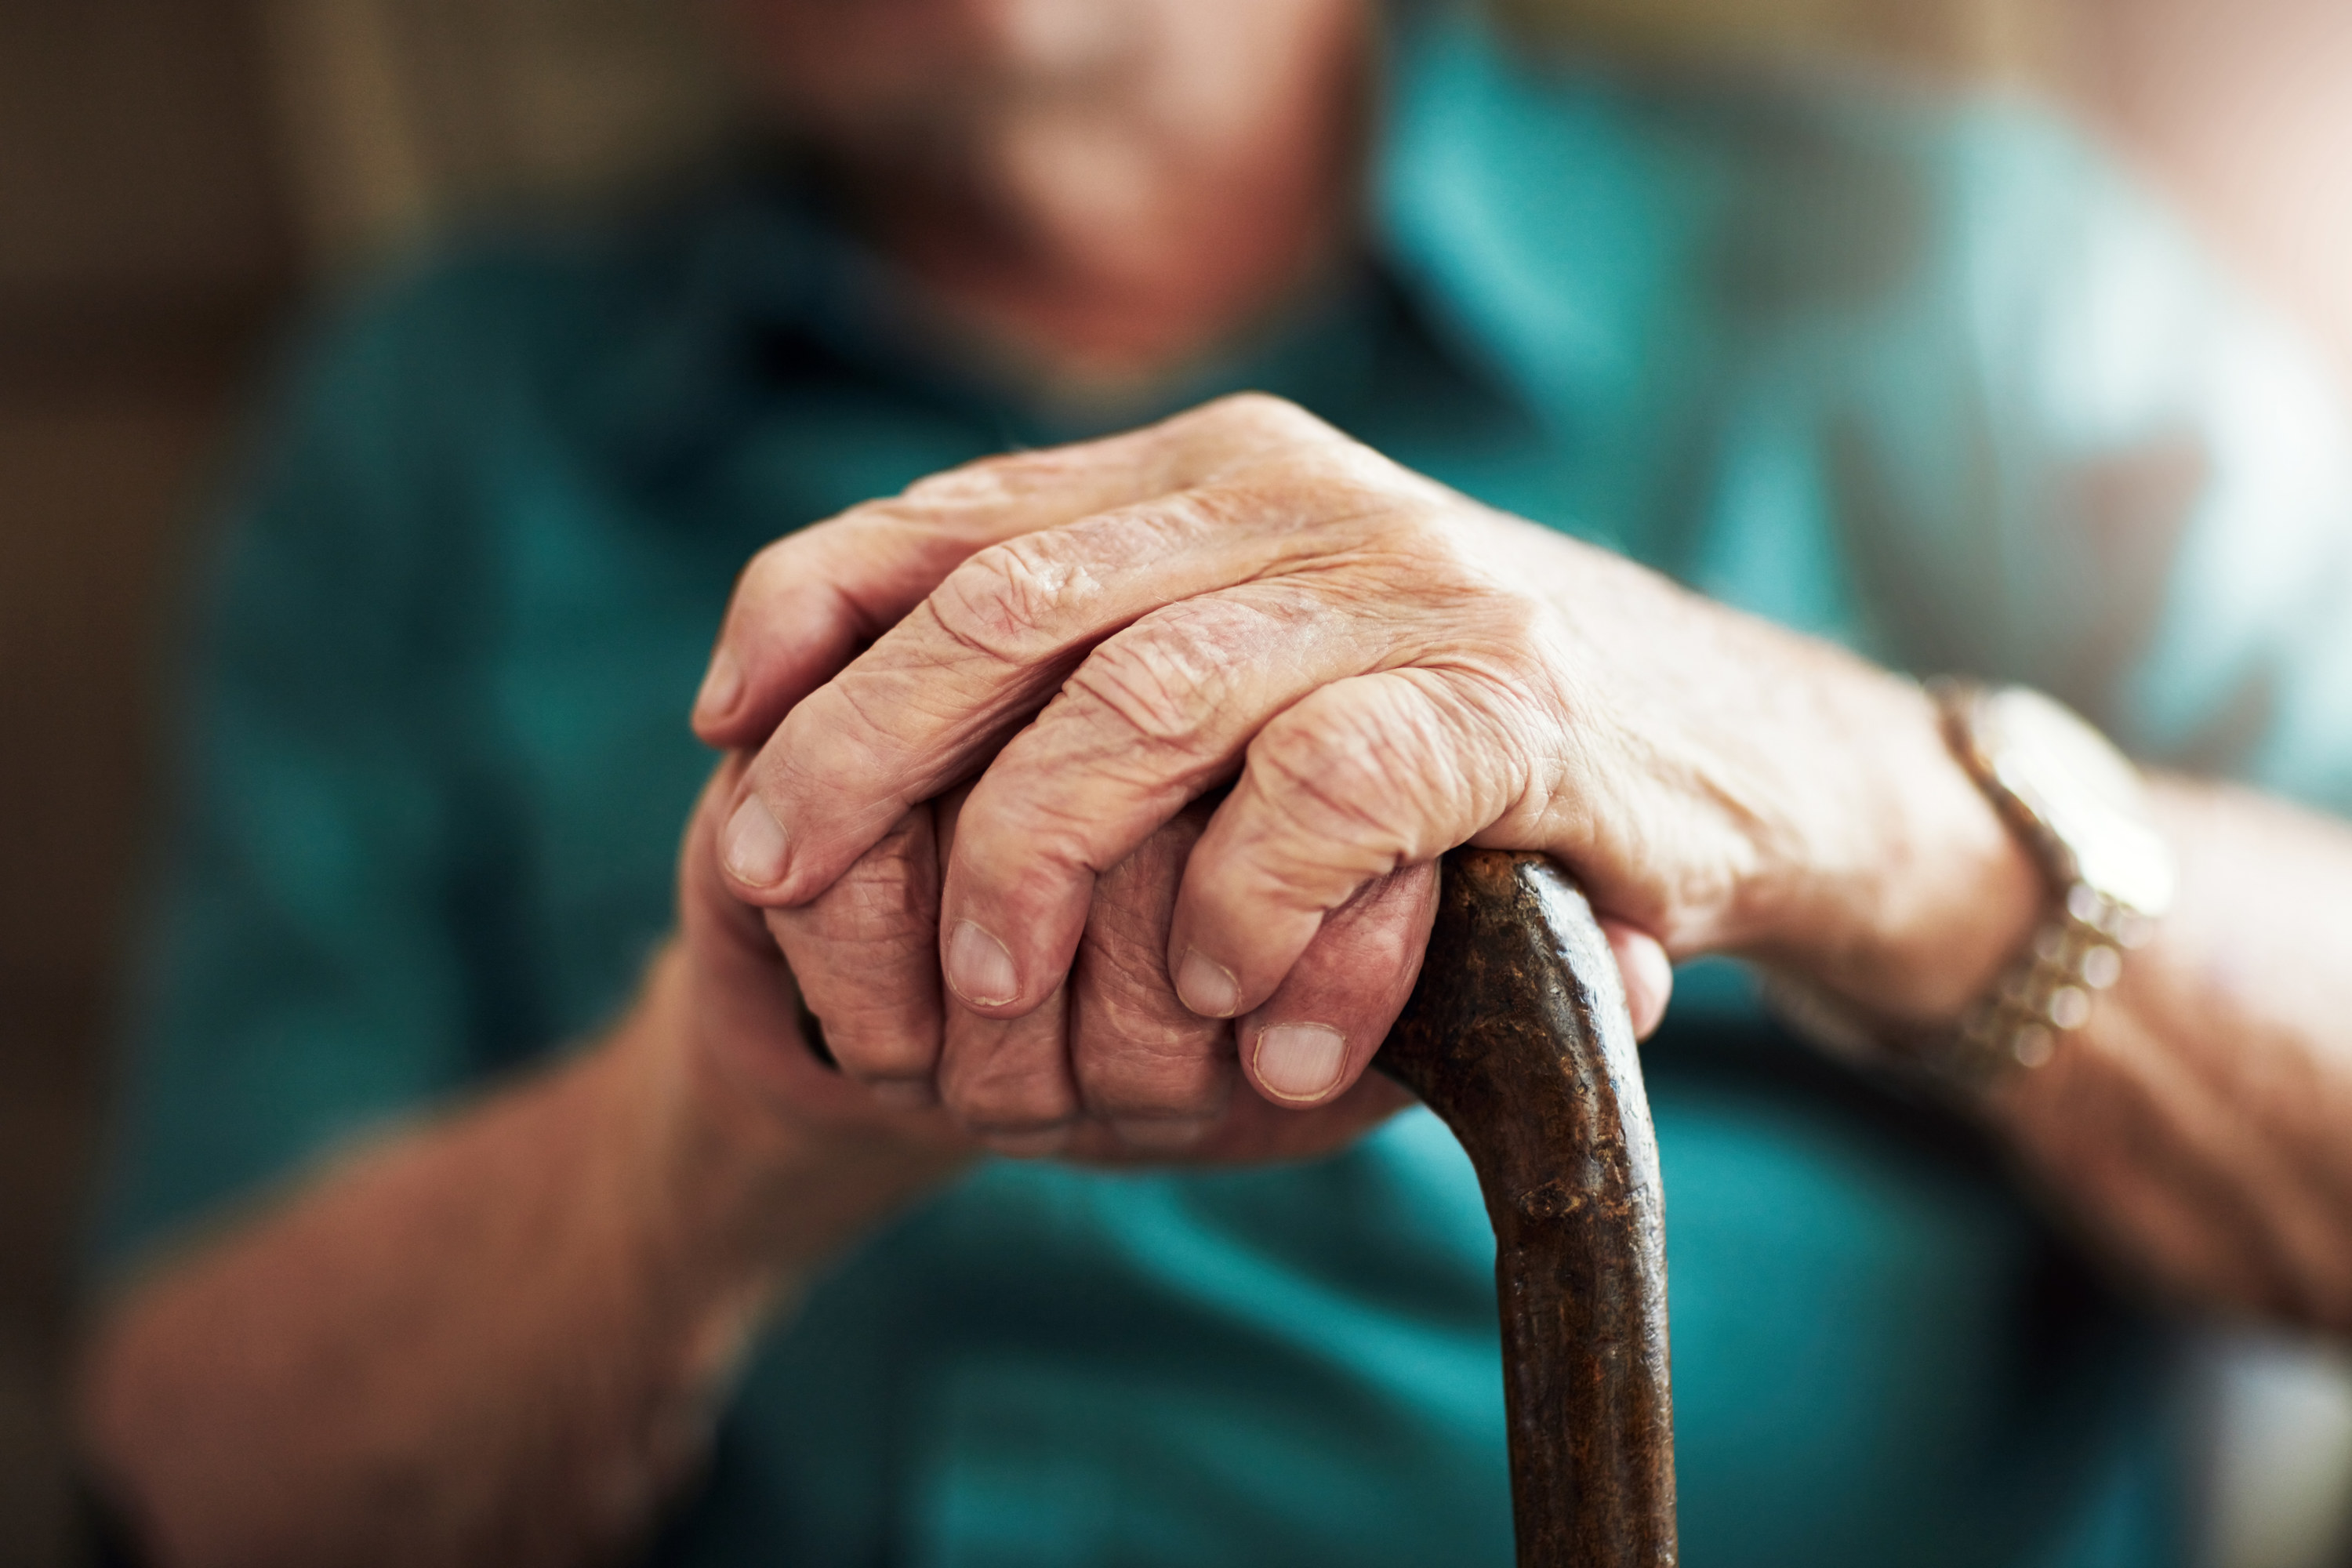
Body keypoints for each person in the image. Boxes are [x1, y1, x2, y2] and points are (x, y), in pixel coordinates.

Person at [72, 0, 2352, 1563]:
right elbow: (200, 1469)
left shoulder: (1953, 282)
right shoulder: (441, 426)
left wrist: (1844, 793)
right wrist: (705, 1147)